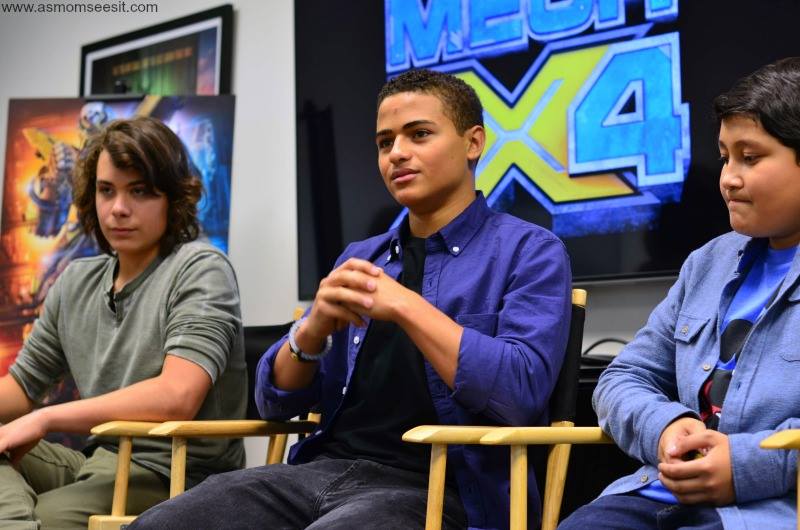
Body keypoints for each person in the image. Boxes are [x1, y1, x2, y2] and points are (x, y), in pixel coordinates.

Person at [132, 69, 572, 529]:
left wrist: (405, 305)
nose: (397, 153)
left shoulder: (531, 251)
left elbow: (519, 394)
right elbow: (275, 403)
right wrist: (311, 331)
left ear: (473, 143)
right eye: (385, 142)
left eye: (419, 134)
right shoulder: (362, 258)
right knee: (160, 524)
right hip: (323, 469)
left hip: (442, 489)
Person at [559, 57, 800, 530]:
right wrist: (665, 427)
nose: (728, 177)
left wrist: (745, 466)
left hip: (772, 509)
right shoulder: (707, 263)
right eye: (726, 156)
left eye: (750, 158)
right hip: (653, 494)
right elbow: (622, 377)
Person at [0, 116, 247, 529]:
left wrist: (45, 418)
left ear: (172, 198)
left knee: (44, 518)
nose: (118, 208)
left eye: (140, 191)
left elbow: (177, 396)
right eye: (106, 190)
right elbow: (23, 386)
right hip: (99, 462)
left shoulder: (202, 269)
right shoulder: (76, 281)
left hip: (179, 478)